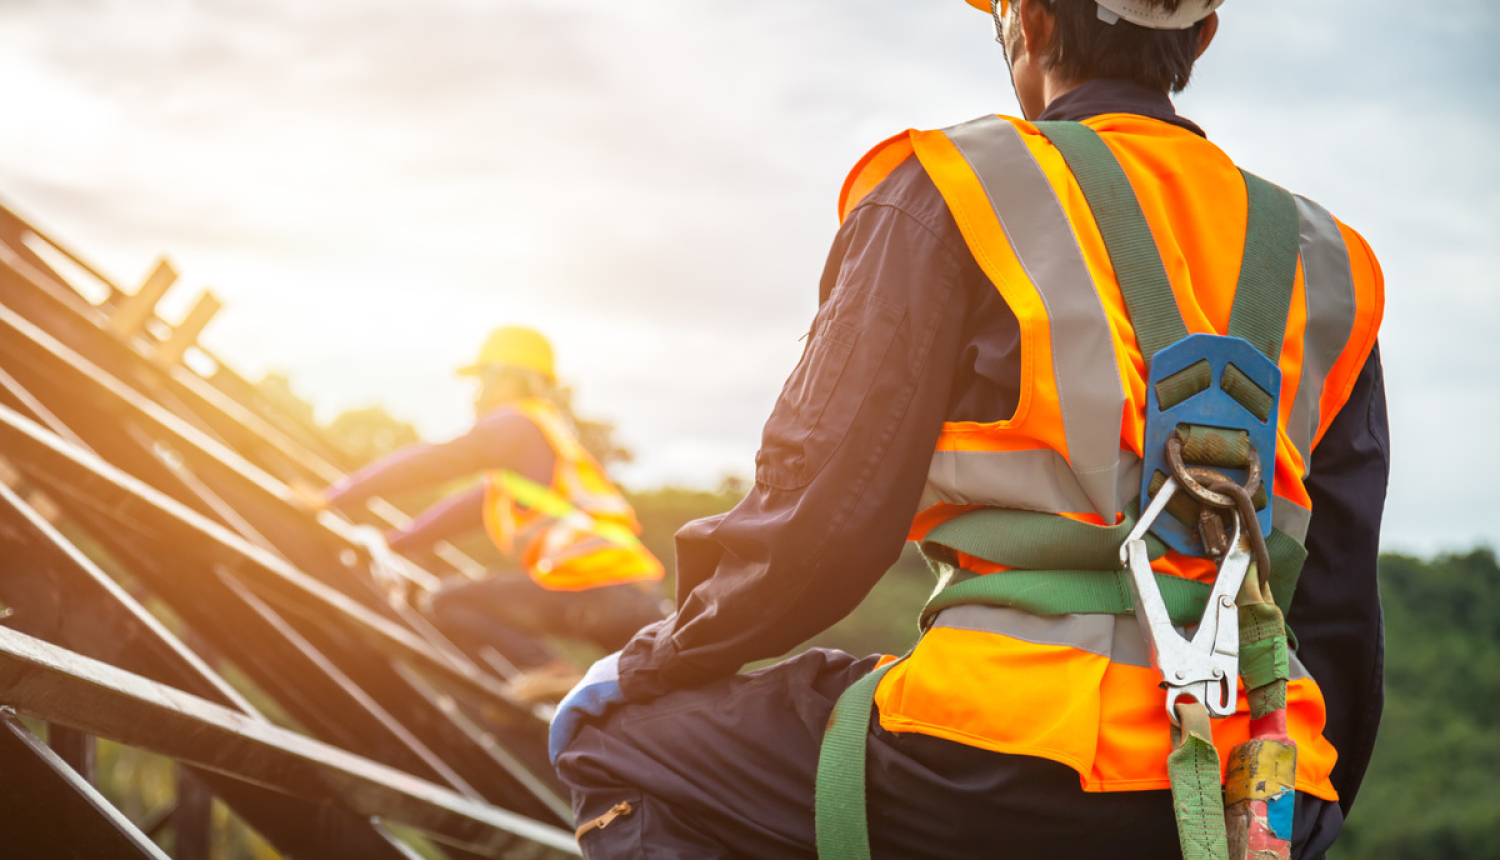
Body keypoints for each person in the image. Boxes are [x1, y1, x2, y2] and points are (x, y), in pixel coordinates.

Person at [548, 1, 1389, 858]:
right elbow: (1340, 612)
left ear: (1033, 22)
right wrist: (1297, 812)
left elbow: (818, 527)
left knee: (617, 746)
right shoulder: (1332, 263)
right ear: (1201, 36)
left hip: (1005, 756)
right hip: (1265, 791)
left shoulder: (954, 187)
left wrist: (654, 660)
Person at [322, 326, 666, 684]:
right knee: (644, 698)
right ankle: (537, 685)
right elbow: (454, 515)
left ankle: (546, 668)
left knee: (449, 601)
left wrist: (332, 497)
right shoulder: (538, 453)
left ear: (506, 378)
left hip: (593, 590)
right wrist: (391, 544)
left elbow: (432, 462)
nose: (476, 394)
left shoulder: (517, 424)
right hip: (636, 596)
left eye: (481, 379)